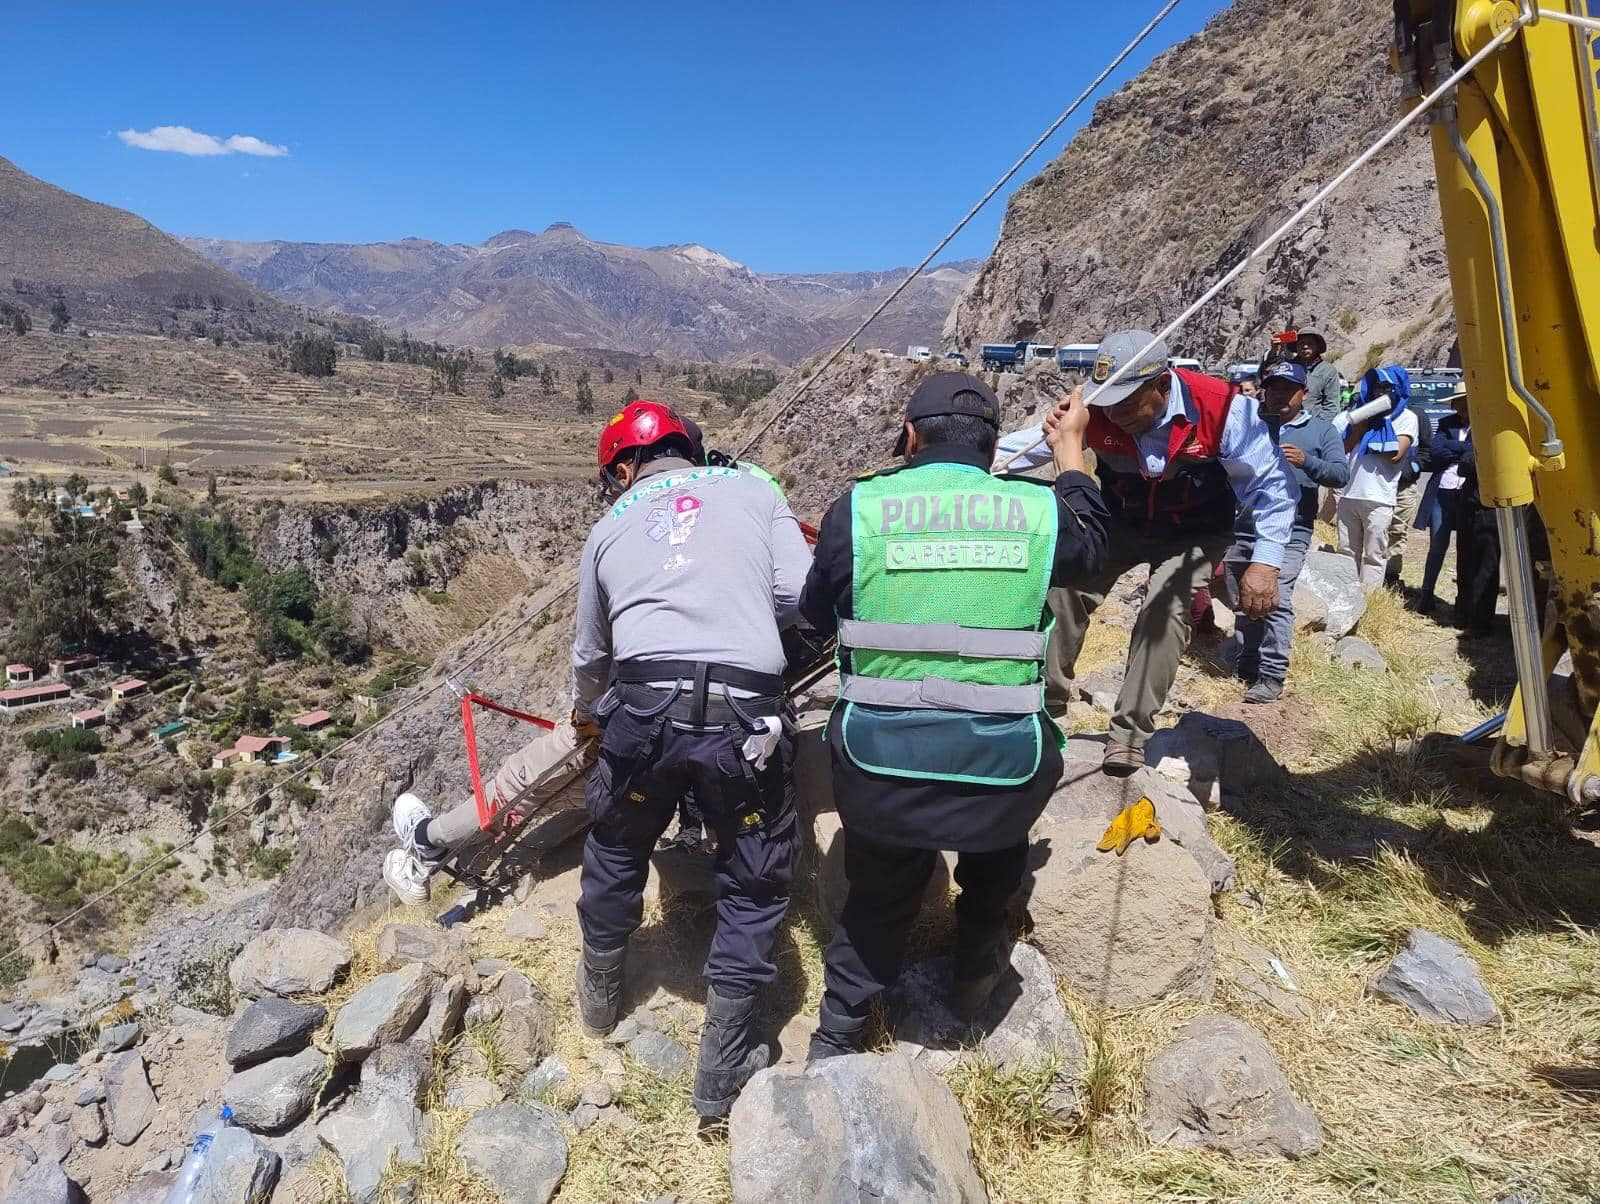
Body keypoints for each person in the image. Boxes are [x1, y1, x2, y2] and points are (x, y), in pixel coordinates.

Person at [798, 372, 1108, 1058]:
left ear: (911, 435)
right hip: (1002, 770)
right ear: (994, 448)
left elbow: (815, 616)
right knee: (996, 868)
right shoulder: (1033, 511)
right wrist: (1070, 456)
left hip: (881, 772)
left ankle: (839, 1036)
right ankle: (972, 982)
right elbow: (1092, 547)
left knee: (876, 898)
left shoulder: (861, 510)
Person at [570, 400, 811, 1121]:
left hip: (642, 714)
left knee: (617, 842)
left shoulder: (609, 526)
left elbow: (591, 655)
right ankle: (722, 1066)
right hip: (746, 716)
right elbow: (799, 596)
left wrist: (589, 715)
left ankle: (600, 1000)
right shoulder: (756, 490)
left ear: (621, 468)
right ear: (690, 449)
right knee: (758, 871)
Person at [998, 330, 1296, 774]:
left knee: (1166, 607)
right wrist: (956, 462)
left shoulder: (1225, 409)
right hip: (1123, 520)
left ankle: (1128, 735)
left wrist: (1266, 561)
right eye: (1108, 402)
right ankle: (1045, 705)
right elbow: (1023, 450)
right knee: (1063, 585)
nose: (1115, 415)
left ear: (1161, 384)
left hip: (1196, 531)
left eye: (1127, 403)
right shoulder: (1092, 411)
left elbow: (1271, 486)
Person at [1224, 361, 1349, 703]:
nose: (1280, 395)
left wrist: (1308, 462)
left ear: (1304, 393)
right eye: (1274, 387)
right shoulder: (1248, 422)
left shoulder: (1322, 431)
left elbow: (1340, 475)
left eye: (1288, 389)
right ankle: (1247, 662)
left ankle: (1272, 675)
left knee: (1275, 596)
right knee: (1243, 598)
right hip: (1243, 526)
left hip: (1291, 530)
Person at [382, 720, 596, 906]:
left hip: (592, 736)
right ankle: (466, 864)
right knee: (539, 801)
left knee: (514, 789)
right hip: (610, 771)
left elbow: (589, 689)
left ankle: (425, 839)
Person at [1333, 366, 1419, 590]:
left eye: (1386, 388)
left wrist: (1376, 429)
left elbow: (1396, 453)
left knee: (1374, 554)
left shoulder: (1406, 418)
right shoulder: (1360, 416)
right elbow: (1343, 448)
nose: (1380, 393)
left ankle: (1370, 600)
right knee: (1346, 551)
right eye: (1376, 387)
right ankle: (1346, 596)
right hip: (1350, 493)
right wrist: (1360, 428)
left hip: (1379, 498)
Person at [1412, 385, 1471, 614]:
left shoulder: (1484, 423)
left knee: (1467, 548)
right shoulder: (1447, 424)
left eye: (1465, 401)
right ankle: (1427, 594)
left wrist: (1456, 448)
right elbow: (1436, 451)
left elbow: (1476, 451)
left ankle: (1463, 601)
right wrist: (1462, 450)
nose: (1462, 407)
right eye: (1459, 402)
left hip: (1468, 492)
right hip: (1443, 491)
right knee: (1437, 543)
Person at [1384, 391, 1435, 587]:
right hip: (1376, 482)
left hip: (1404, 486)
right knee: (1375, 530)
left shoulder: (1416, 415)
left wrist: (1414, 466)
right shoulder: (1374, 415)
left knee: (1397, 530)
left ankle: (1391, 576)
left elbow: (1427, 448)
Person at [1295, 332, 1343, 420]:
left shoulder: (1328, 370)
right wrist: (1273, 351)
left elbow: (1331, 404)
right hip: (1285, 425)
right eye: (1301, 343)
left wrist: (1319, 427)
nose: (1305, 346)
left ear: (1317, 346)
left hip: (1312, 425)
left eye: (1310, 343)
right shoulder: (1288, 367)